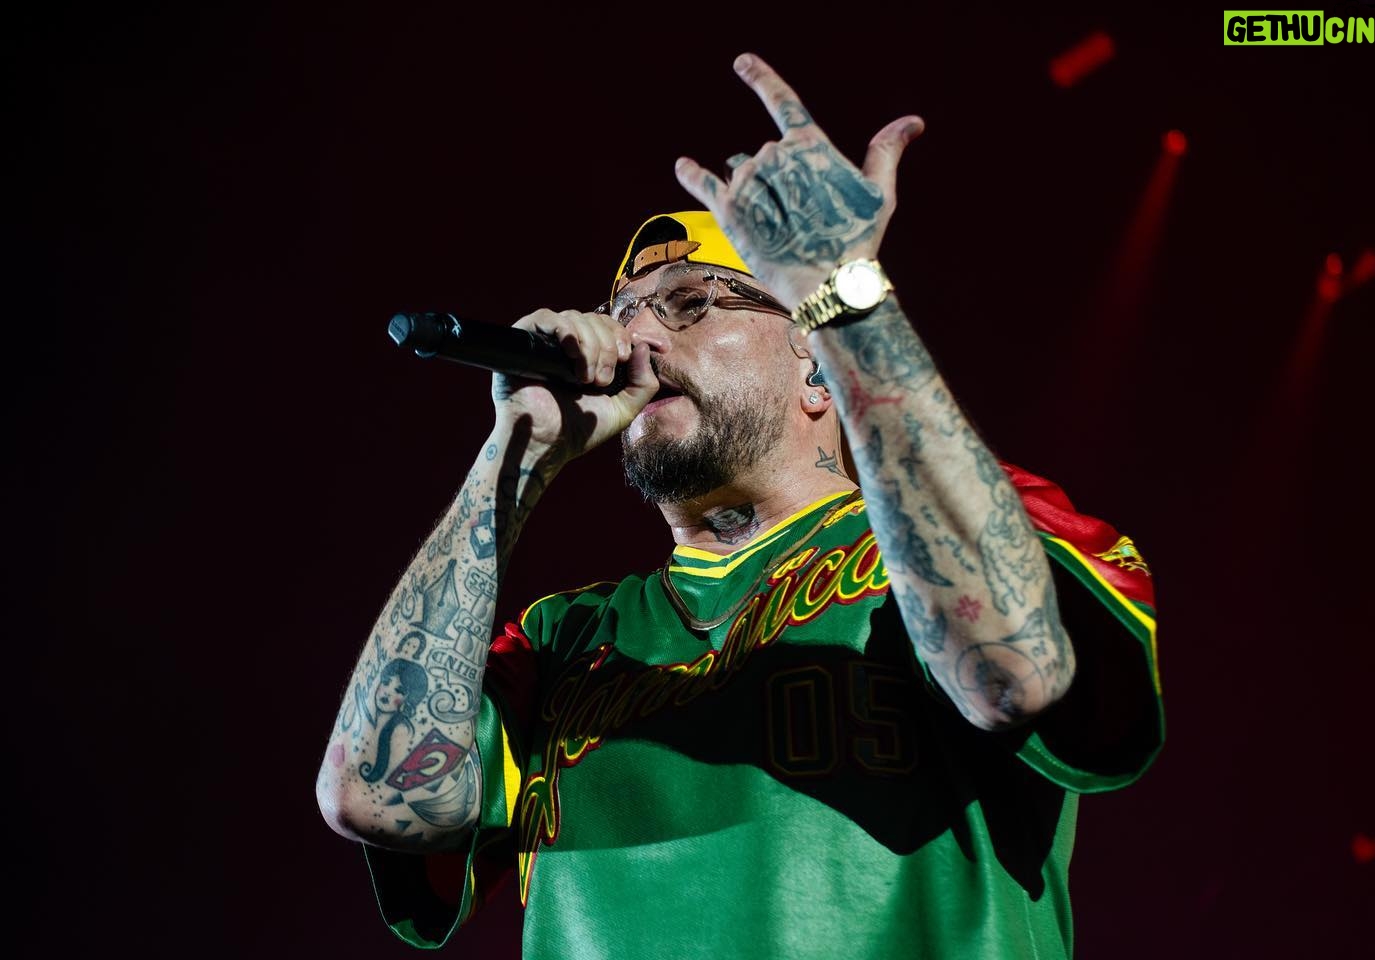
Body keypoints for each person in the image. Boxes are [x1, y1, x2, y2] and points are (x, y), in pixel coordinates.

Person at [316, 52, 1162, 959]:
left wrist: (846, 299)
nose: (637, 337)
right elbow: (373, 793)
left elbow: (1016, 675)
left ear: (814, 364)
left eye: (689, 303)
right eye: (624, 312)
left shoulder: (950, 526)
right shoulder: (565, 642)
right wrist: (514, 454)